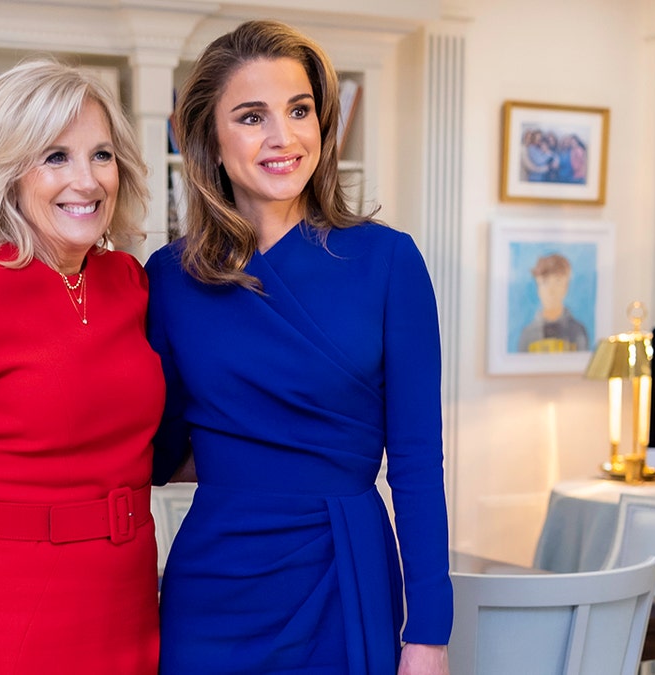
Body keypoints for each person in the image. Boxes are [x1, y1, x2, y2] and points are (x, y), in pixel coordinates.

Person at [145, 20, 452, 674]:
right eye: (252, 116)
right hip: (214, 586)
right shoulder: (170, 279)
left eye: (300, 110)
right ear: (208, 139)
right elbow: (158, 449)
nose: (283, 137)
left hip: (346, 574)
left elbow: (418, 464)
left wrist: (429, 634)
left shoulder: (389, 261)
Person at [0, 59, 163, 674]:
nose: (87, 180)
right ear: (10, 172)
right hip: (8, 609)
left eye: (101, 155)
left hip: (127, 598)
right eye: (54, 157)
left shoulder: (128, 283)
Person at [516, 252, 589, 353]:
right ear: (538, 289)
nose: (551, 290)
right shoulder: (527, 334)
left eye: (558, 282)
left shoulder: (577, 332)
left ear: (566, 287)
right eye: (545, 282)